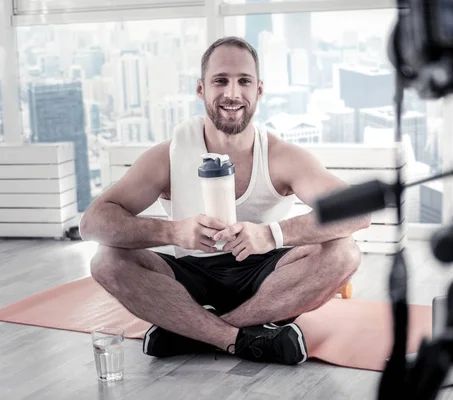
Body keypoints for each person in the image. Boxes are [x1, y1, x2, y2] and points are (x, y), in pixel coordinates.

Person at [80, 36, 371, 366]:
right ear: (201, 89)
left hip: (270, 279)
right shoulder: (168, 156)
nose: (232, 93)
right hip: (189, 277)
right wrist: (174, 232)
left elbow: (359, 212)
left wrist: (270, 235)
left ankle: (191, 330)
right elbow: (92, 223)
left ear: (258, 90)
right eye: (220, 80)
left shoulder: (280, 156)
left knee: (344, 252)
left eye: (243, 81)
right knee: (105, 261)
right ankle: (238, 338)